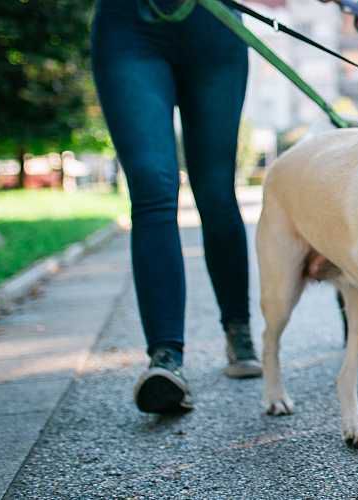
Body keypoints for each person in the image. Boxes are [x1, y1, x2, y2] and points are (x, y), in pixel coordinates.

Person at [91, 0, 260, 414]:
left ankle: (238, 329)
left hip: (213, 27)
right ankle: (165, 358)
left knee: (217, 190)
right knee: (151, 185)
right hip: (128, 29)